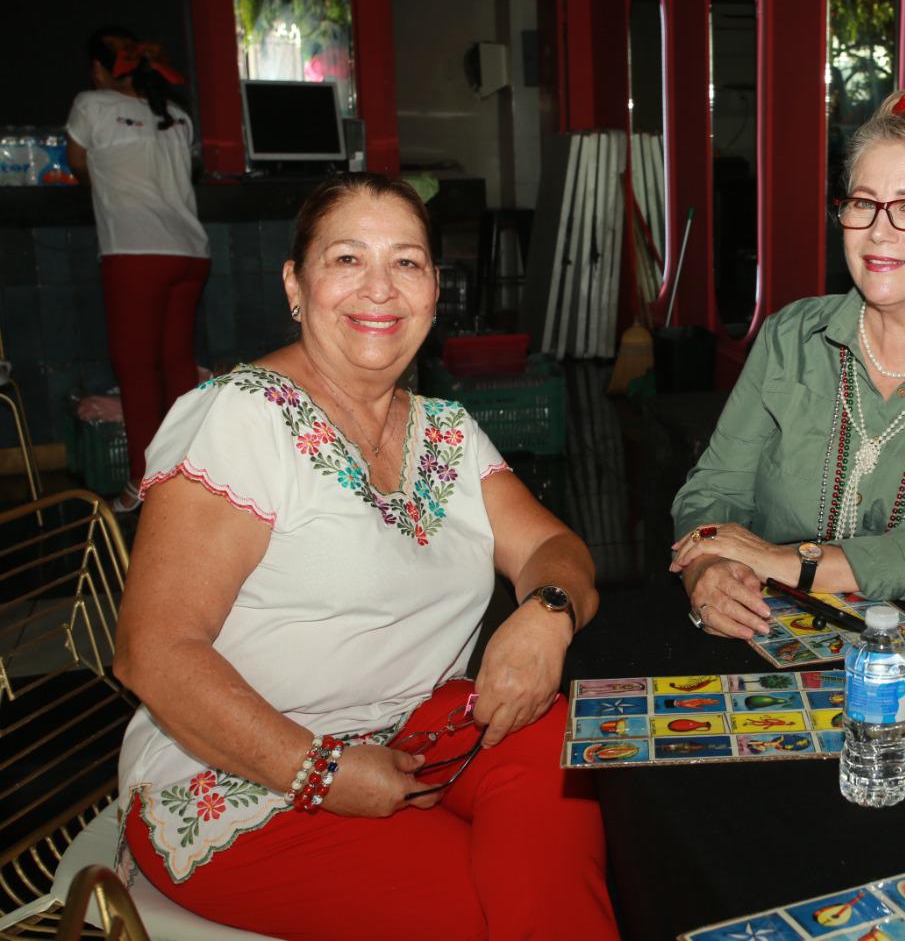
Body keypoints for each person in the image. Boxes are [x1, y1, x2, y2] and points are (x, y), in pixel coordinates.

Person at [112, 174, 617, 939]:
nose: (380, 289)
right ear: (295, 282)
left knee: (553, 741)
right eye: (347, 259)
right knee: (481, 910)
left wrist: (546, 614)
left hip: (410, 730)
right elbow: (152, 652)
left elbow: (554, 547)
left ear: (435, 289)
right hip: (242, 770)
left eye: (407, 263)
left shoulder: (444, 430)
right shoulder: (239, 420)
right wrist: (315, 770)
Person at [669, 82, 905, 637]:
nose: (878, 231)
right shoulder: (790, 337)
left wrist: (793, 563)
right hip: (764, 625)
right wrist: (706, 568)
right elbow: (712, 492)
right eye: (862, 203)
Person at [66, 26, 210, 513]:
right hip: (191, 251)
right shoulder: (178, 116)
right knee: (176, 368)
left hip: (135, 252)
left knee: (137, 373)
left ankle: (142, 486)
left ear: (102, 70)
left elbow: (77, 164)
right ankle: (193, 478)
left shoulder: (91, 105)